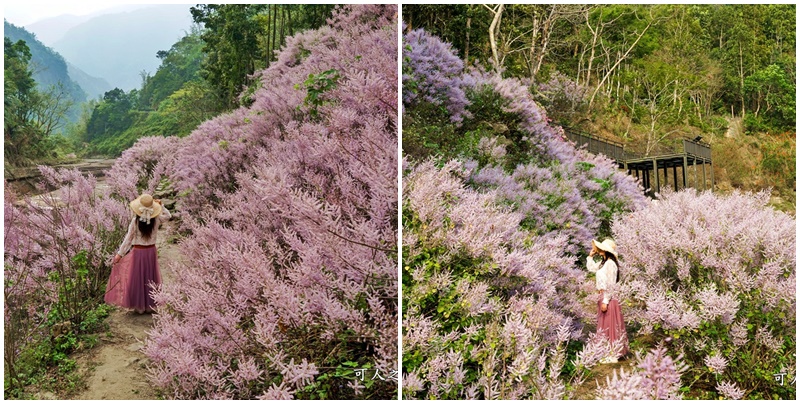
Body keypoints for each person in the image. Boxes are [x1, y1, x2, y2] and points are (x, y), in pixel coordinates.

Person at [105, 193, 170, 314]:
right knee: (150, 277)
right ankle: (149, 305)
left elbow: (128, 239)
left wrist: (120, 254)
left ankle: (138, 306)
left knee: (137, 278)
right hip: (150, 251)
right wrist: (162, 206)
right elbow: (168, 216)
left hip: (138, 252)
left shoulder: (135, 221)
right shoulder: (156, 219)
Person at [587, 238, 629, 363]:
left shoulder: (611, 264)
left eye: (600, 248)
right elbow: (592, 269)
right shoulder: (604, 263)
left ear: (606, 250)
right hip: (603, 296)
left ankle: (613, 353)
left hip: (608, 297)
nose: (598, 250)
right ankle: (606, 351)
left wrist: (606, 300)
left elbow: (611, 284)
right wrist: (590, 256)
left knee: (610, 323)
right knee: (605, 324)